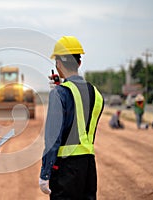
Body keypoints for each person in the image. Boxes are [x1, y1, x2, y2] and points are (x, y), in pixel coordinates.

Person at [39, 36, 104, 199]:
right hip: (88, 167)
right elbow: (79, 116)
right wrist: (62, 88)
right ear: (79, 63)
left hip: (65, 170)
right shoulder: (96, 94)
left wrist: (45, 174)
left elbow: (53, 139)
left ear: (58, 64)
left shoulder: (59, 94)